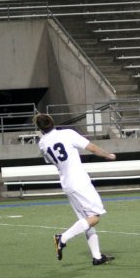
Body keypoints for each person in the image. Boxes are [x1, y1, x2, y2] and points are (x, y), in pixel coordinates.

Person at [34, 113, 116, 265]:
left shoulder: (42, 143)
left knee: (85, 220)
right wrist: (108, 155)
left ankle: (97, 257)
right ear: (52, 121)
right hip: (79, 182)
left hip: (67, 184)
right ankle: (62, 238)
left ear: (39, 128)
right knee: (95, 217)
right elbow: (91, 147)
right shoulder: (67, 134)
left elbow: (50, 160)